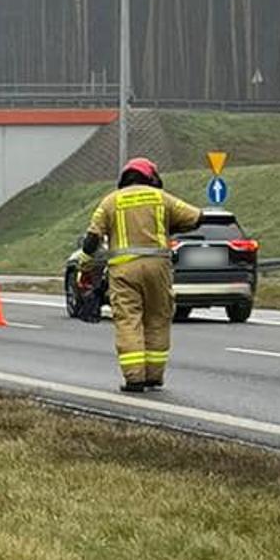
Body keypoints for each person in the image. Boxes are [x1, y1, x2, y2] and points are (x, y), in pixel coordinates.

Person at [80, 157, 202, 392]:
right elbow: (195, 218)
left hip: (124, 270)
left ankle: (134, 378)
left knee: (128, 320)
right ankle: (154, 376)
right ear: (151, 177)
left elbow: (92, 239)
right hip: (158, 267)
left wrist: (86, 266)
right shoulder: (160, 198)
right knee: (158, 318)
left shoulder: (110, 201)